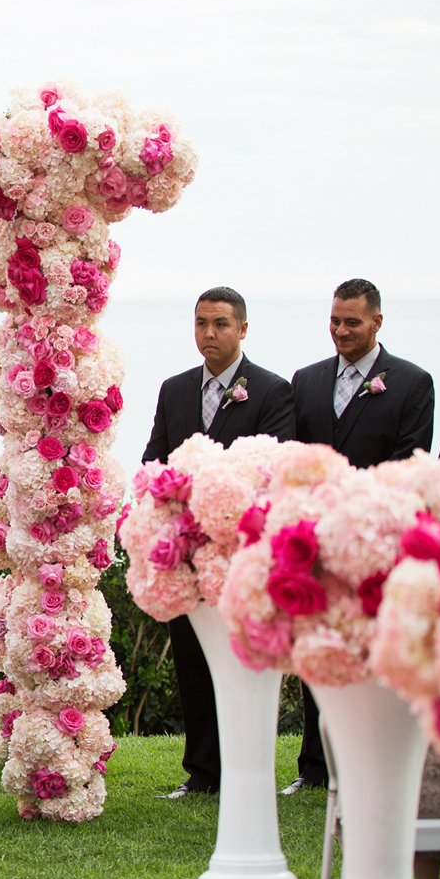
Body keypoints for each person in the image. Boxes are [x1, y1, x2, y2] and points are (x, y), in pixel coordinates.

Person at [142, 286, 294, 799]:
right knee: (191, 659)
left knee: (242, 664)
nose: (210, 333)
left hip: (244, 555)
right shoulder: (174, 389)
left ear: (243, 329)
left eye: (221, 324)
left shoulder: (273, 391)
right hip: (186, 556)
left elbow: (273, 470)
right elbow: (154, 462)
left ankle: (247, 773)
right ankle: (202, 774)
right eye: (202, 323)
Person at [289, 278, 434, 794]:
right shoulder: (304, 381)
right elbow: (294, 461)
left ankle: (372, 763)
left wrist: (357, 512)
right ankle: (314, 768)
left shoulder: (414, 383)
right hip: (316, 544)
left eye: (352, 321)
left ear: (377, 322)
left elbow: (409, 464)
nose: (341, 330)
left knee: (371, 655)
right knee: (316, 650)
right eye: (334, 320)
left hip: (378, 544)